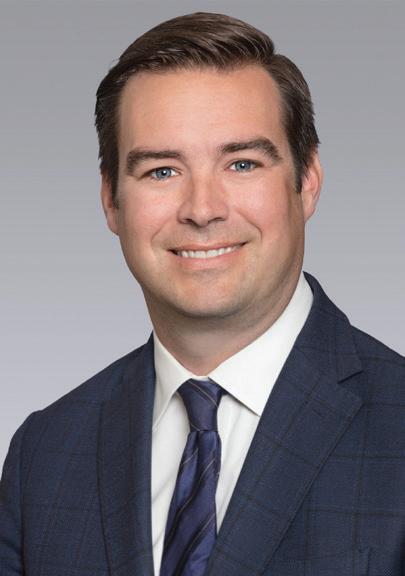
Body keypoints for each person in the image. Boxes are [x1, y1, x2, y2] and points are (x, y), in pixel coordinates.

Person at [0, 11, 404, 576]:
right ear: (112, 201)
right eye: (162, 171)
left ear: (307, 182)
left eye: (242, 163)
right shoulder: (45, 453)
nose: (202, 209)